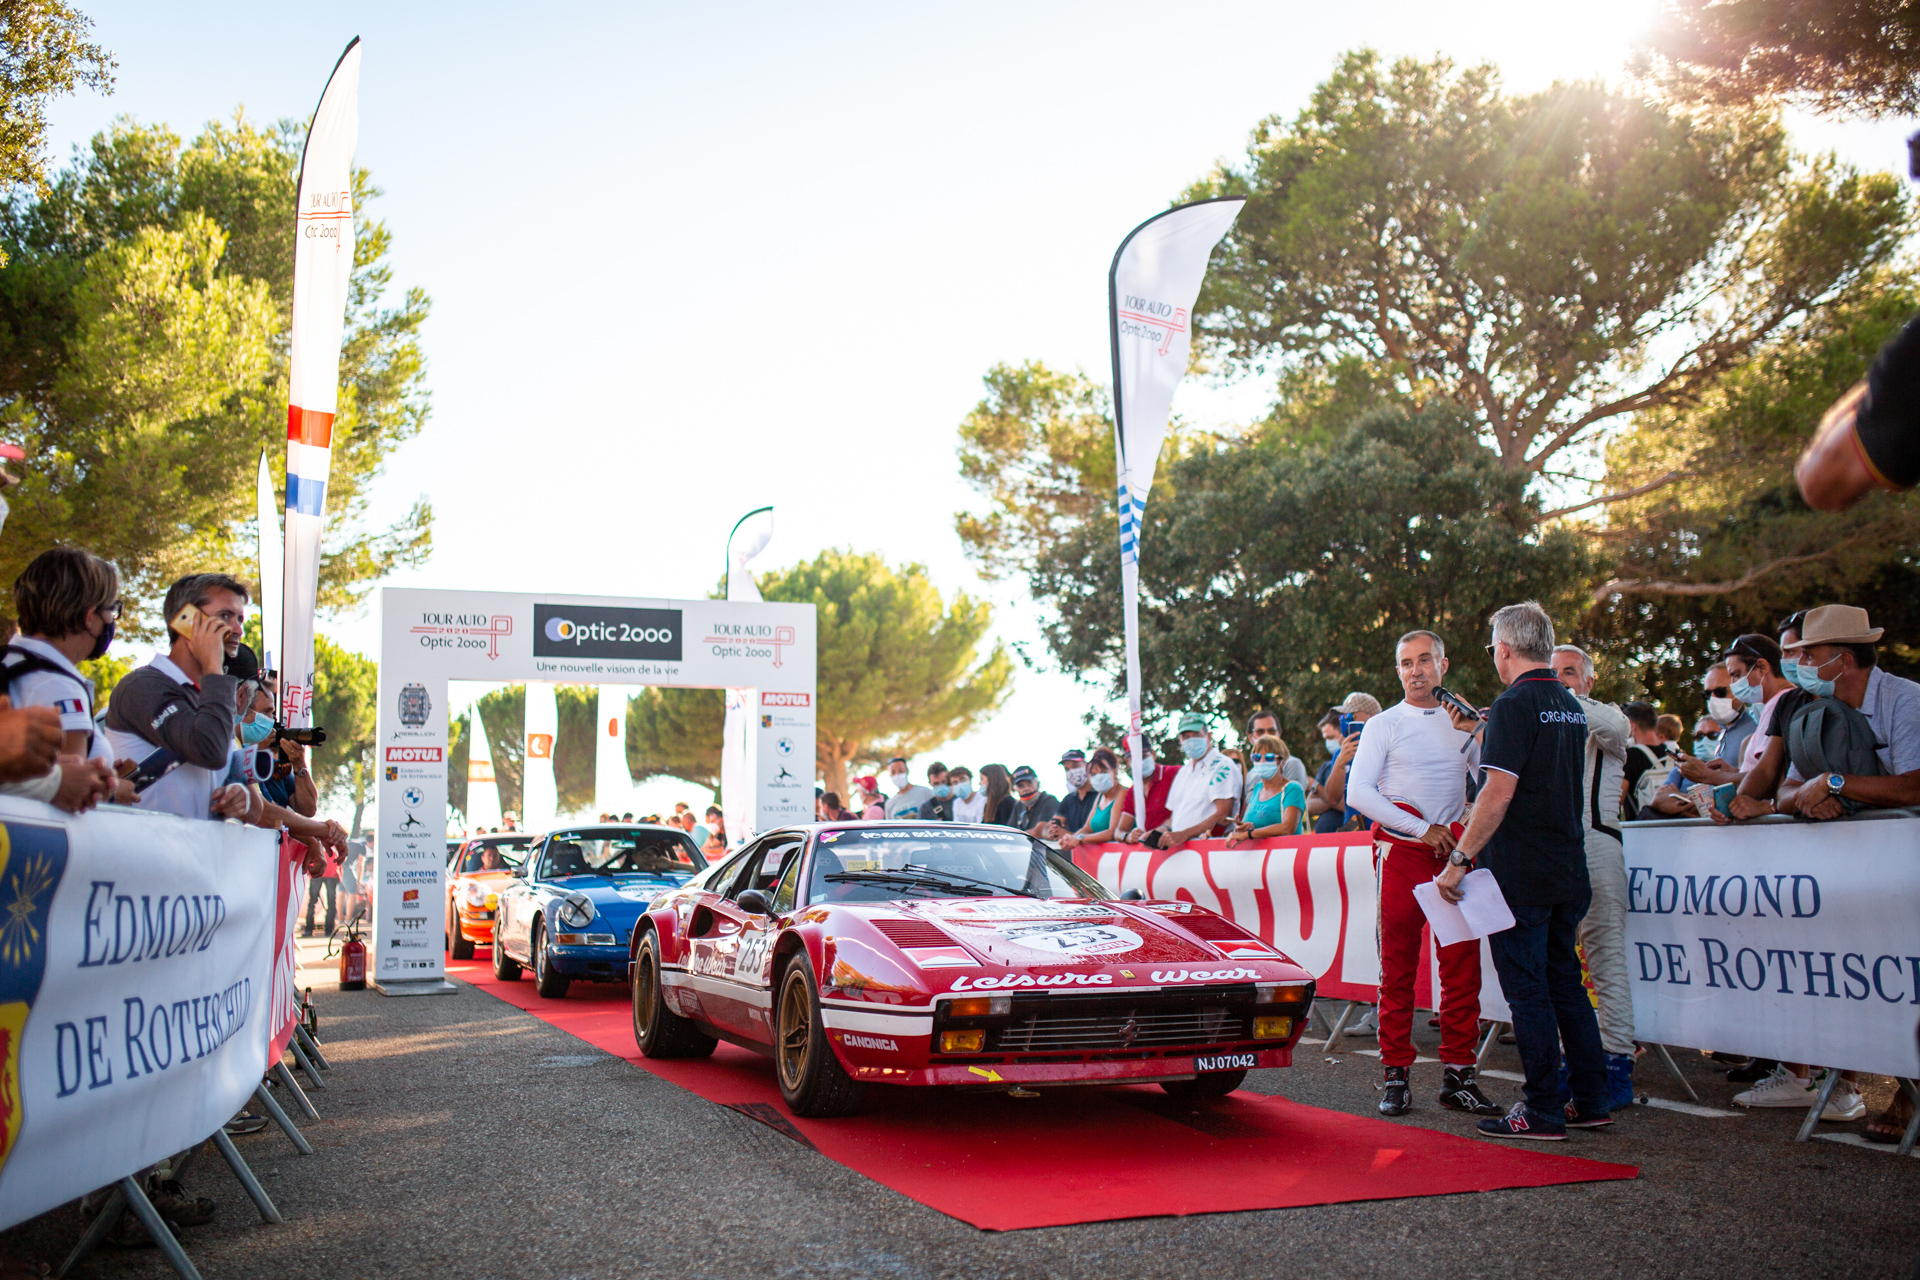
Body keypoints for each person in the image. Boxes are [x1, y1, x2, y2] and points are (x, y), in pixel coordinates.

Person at [1437, 601, 1610, 1140]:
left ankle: (1541, 1110)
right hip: (1566, 866)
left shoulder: (1513, 704)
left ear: (1505, 650)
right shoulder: (1568, 701)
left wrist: (1459, 859)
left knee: (1529, 991)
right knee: (1566, 985)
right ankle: (1590, 1098)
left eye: (1492, 648)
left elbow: (1497, 792)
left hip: (1522, 872)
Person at [1342, 630, 1495, 1116]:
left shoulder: (1463, 721)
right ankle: (1395, 1076)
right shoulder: (1383, 724)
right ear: (1398, 671)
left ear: (1443, 666)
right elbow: (1359, 794)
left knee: (1461, 970)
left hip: (1452, 854)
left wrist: (1478, 732)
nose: (1416, 670)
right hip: (1403, 855)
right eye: (1406, 663)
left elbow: (1492, 779)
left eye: (1425, 660)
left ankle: (1459, 1075)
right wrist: (1420, 828)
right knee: (1399, 970)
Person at [1549, 644, 1638, 1109]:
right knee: (1561, 965)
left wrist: (1550, 696)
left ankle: (1618, 1063)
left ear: (1588, 680)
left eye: (1569, 673)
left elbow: (1618, 729)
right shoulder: (1545, 721)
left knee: (1605, 958)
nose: (1560, 680)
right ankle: (1577, 1063)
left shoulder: (1606, 716)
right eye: (1552, 673)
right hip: (1556, 849)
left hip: (1597, 843)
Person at [102, 573, 253, 822]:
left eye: (240, 619)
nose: (238, 629)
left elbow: (253, 805)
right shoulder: (142, 686)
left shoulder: (210, 696)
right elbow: (209, 751)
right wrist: (213, 668)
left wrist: (241, 796)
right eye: (225, 616)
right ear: (186, 621)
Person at [2, 546, 127, 811]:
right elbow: (72, 792)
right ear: (89, 618)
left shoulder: (11, 661)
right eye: (112, 610)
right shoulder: (60, 686)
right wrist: (109, 790)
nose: (111, 621)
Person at [1796, 312, 1920, 510]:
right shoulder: (1805, 476)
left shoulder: (1906, 474)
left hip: (1898, 471)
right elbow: (1837, 416)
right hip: (1873, 429)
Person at [1146, 713, 1238, 849]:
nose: (1191, 741)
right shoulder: (1183, 772)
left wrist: (1183, 835)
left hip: (1210, 852)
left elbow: (1223, 816)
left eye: (1196, 735)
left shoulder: (1223, 766)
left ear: (1209, 736)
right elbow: (1175, 817)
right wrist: (1160, 831)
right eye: (1186, 737)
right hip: (1181, 855)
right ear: (1180, 741)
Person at [1316, 692, 1382, 830]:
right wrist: (1340, 762)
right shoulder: (1342, 754)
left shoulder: (1389, 750)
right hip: (1354, 830)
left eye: (1352, 716)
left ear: (1372, 717)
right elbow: (1332, 799)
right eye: (1344, 717)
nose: (1347, 721)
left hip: (1384, 831)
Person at [1225, 735, 1305, 845]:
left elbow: (1288, 828)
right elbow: (1250, 828)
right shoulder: (1257, 788)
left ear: (1281, 761)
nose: (1262, 761)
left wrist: (1249, 834)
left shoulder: (1292, 789)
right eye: (1257, 757)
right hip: (1258, 857)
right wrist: (1242, 827)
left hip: (1286, 855)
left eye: (1269, 757)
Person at [1057, 749, 1127, 849]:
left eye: (1103, 772)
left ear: (1114, 772)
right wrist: (1070, 839)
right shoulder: (1100, 796)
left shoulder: (1123, 793)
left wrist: (1079, 839)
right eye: (1094, 774)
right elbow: (1087, 828)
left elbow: (1112, 832)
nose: (1098, 777)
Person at [1620, 702, 1670, 819]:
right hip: (1676, 827)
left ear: (1631, 726)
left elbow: (1617, 800)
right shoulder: (1674, 753)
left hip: (1642, 829)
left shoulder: (1630, 756)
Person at [1245, 709, 1310, 792]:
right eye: (1260, 732)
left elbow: (1292, 799)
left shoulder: (1291, 764)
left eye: (1271, 731)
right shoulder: (1250, 774)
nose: (1266, 735)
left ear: (1279, 734)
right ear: (1250, 737)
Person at [1306, 709, 1348, 834]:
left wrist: (1317, 788)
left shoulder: (1358, 763)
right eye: (1325, 738)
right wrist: (1333, 799)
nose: (1328, 743)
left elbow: (1348, 805)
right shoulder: (1326, 767)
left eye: (1330, 737)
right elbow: (1310, 806)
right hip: (1325, 842)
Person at [1050, 749, 1098, 838]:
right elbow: (1053, 825)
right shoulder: (1068, 800)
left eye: (1075, 766)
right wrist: (1054, 830)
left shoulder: (1101, 795)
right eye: (1067, 769)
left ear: (1087, 766)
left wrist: (1070, 836)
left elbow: (1105, 833)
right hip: (1075, 851)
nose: (1072, 771)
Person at [1009, 765, 1058, 834]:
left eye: (1029, 784)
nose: (1025, 789)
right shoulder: (1019, 805)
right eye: (1020, 786)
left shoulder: (1049, 801)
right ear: (1016, 789)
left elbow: (1038, 832)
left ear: (1037, 784)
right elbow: (1010, 831)